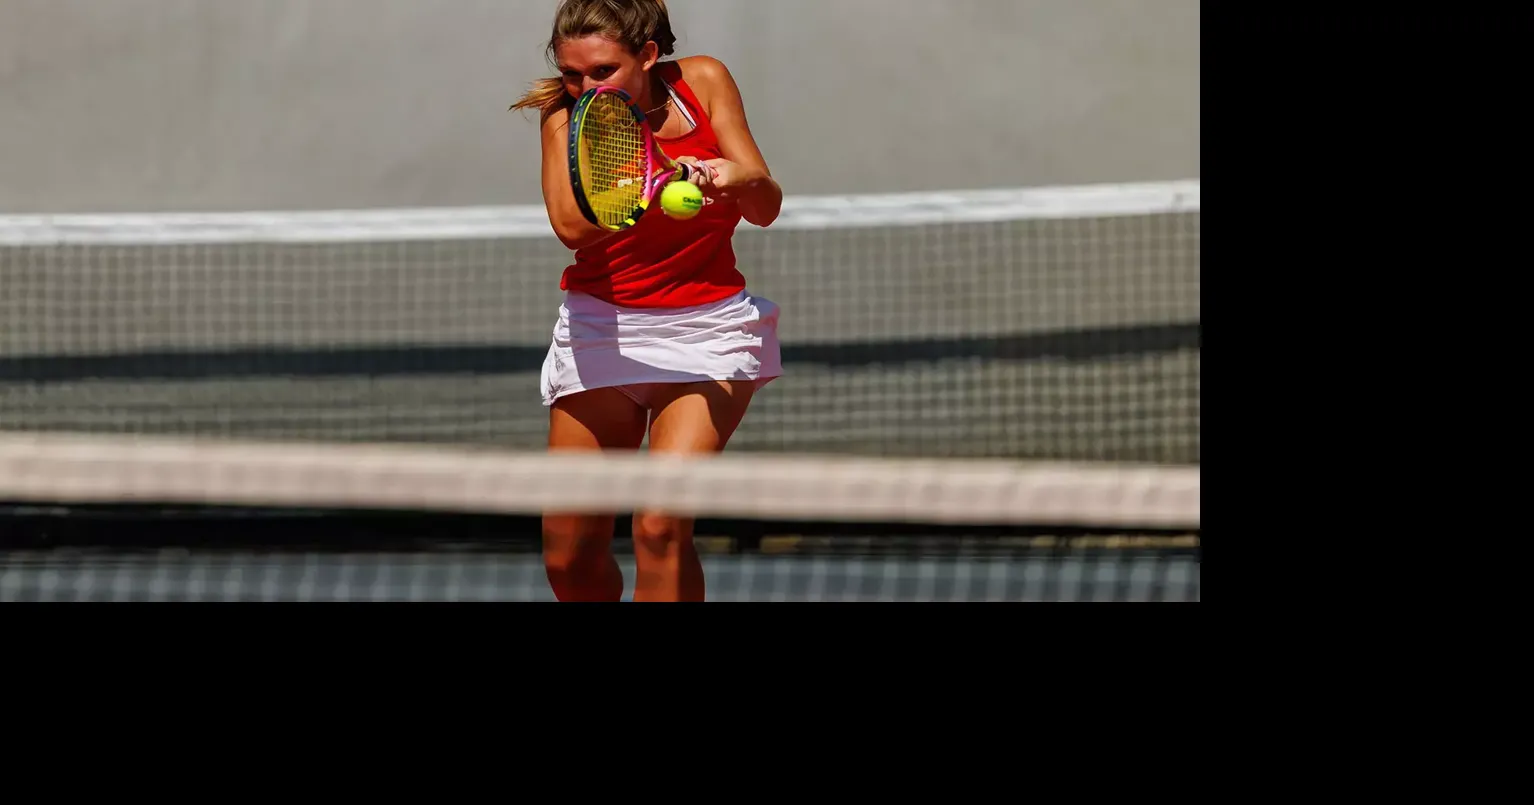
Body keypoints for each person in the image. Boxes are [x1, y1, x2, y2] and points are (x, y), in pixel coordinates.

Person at [511, 0, 784, 603]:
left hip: (708, 334)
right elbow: (571, 226)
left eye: (602, 71)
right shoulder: (565, 114)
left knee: (660, 526)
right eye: (572, 73)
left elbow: (764, 206)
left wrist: (735, 177)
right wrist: (643, 186)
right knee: (569, 553)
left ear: (648, 55)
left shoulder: (704, 81)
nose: (584, 87)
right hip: (601, 333)